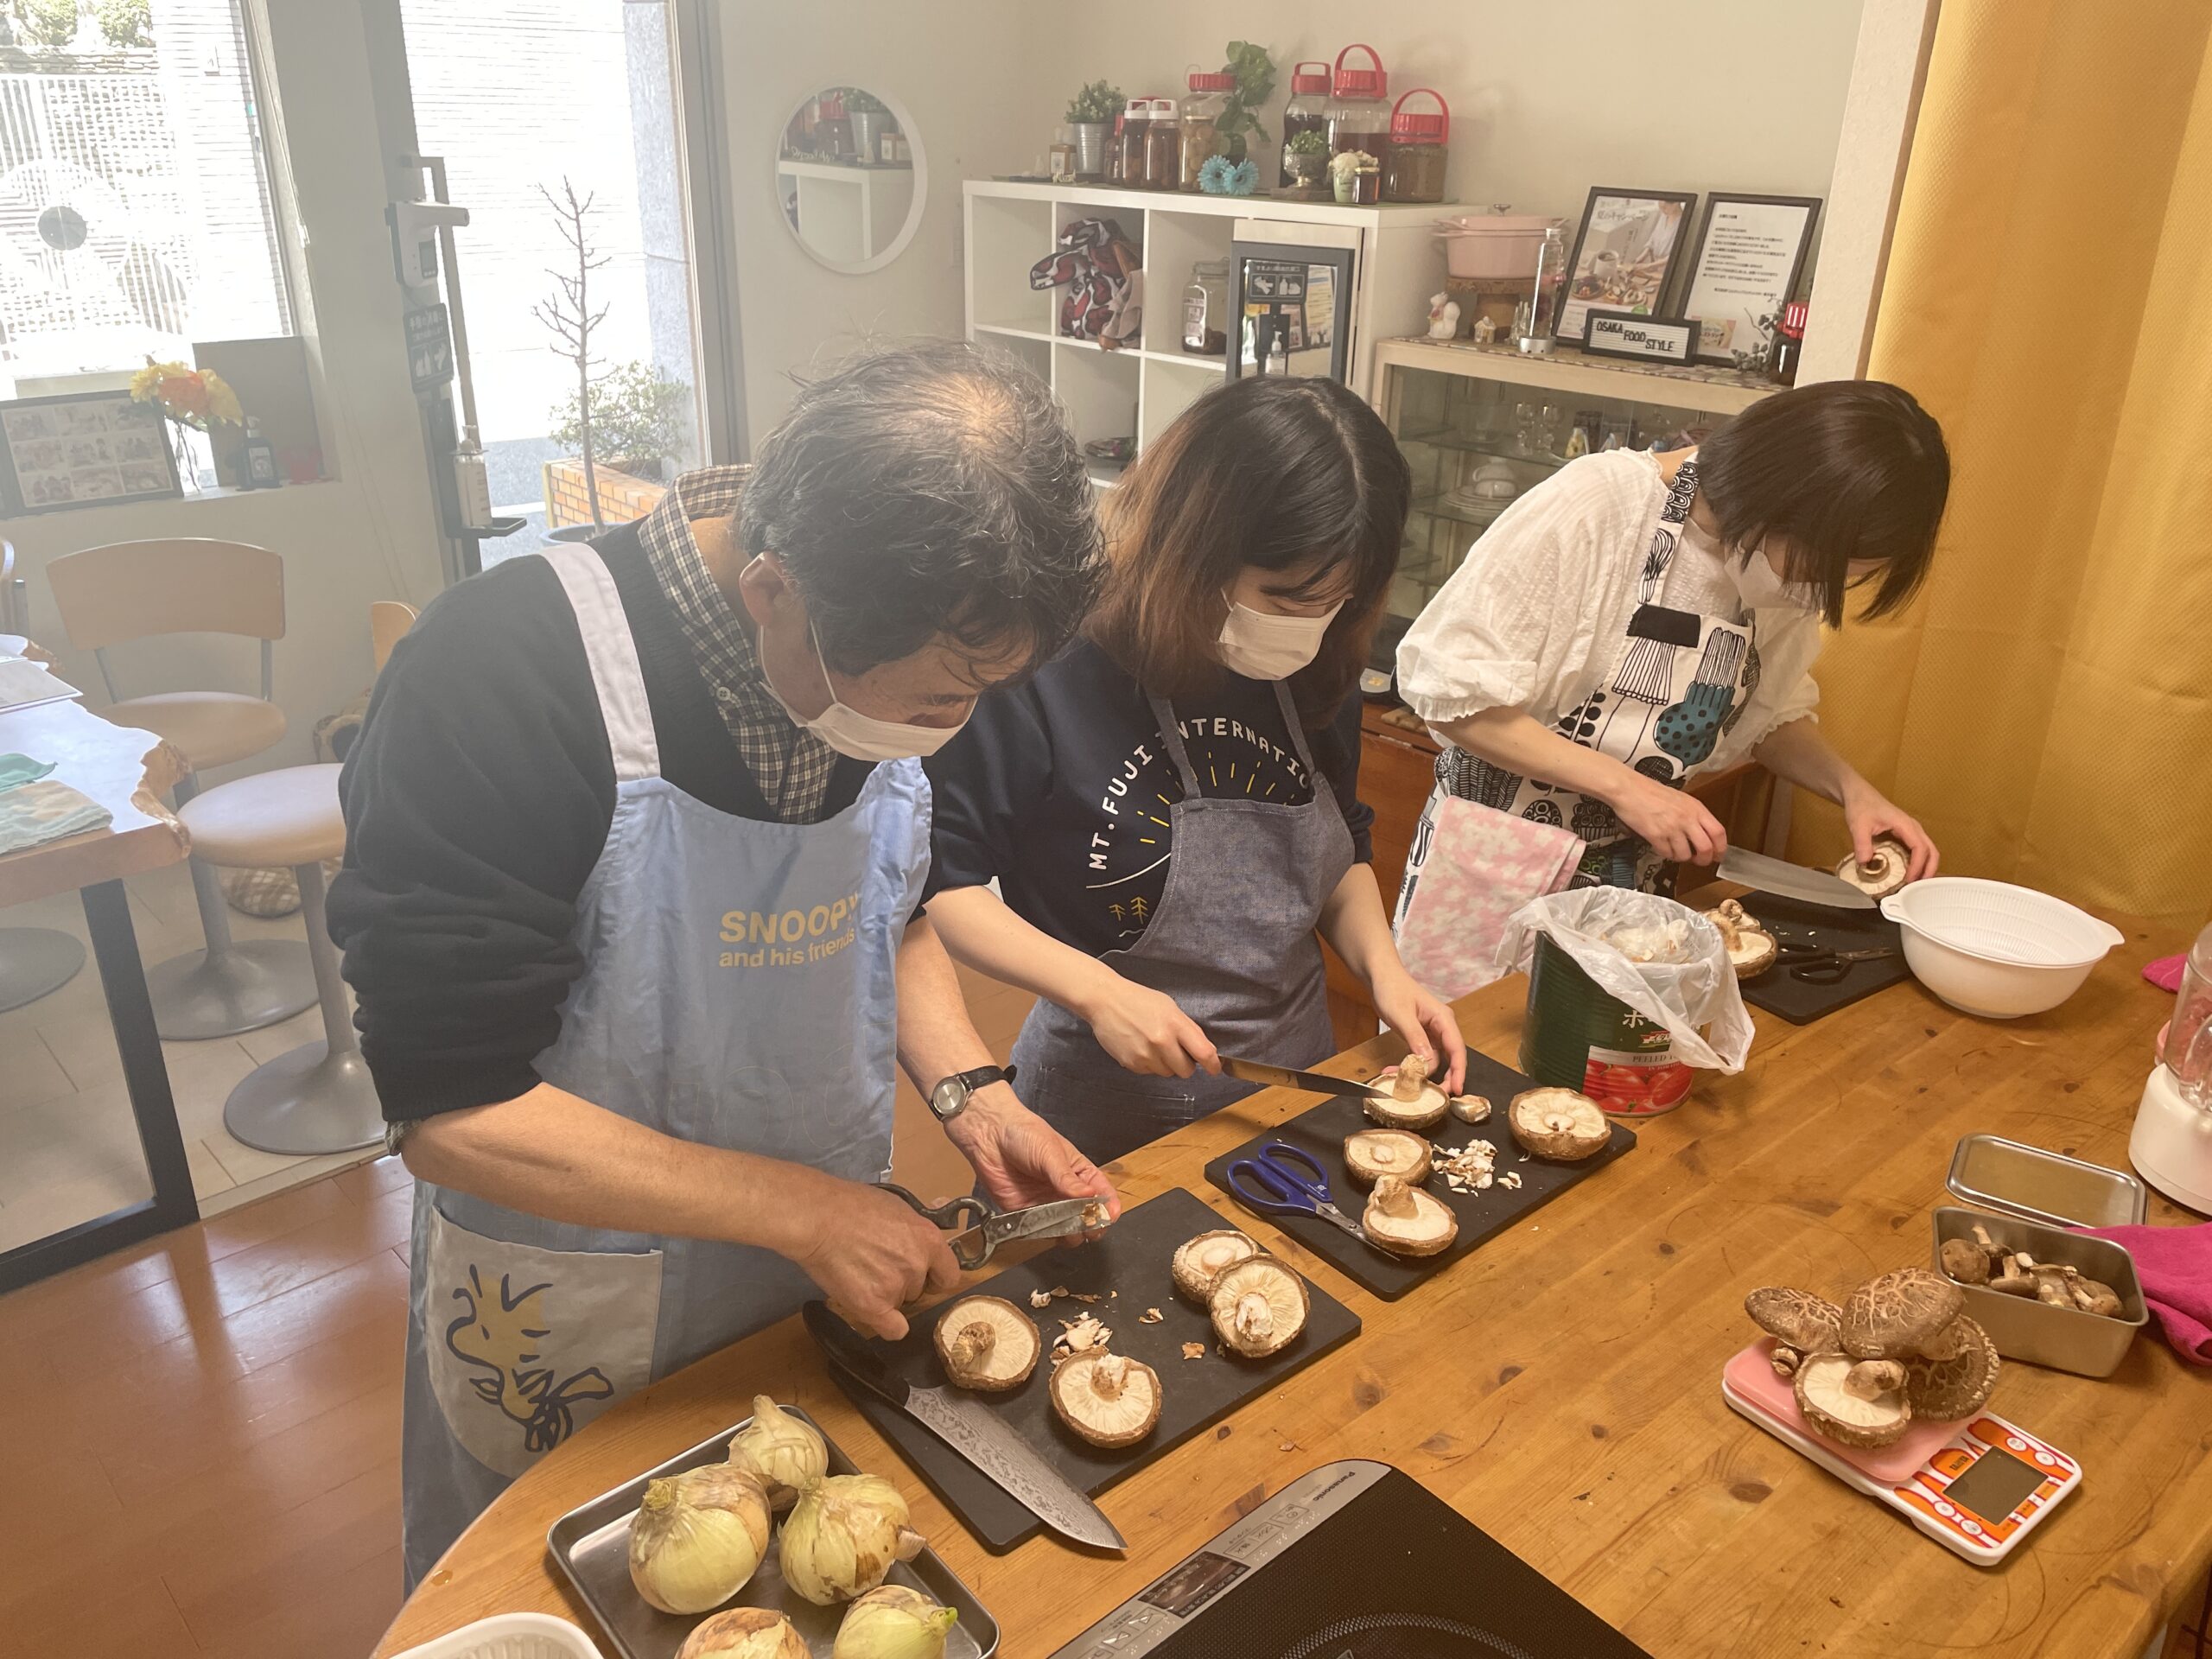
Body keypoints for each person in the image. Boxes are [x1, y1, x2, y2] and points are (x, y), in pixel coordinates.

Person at [328, 342, 1118, 1586]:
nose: (946, 728)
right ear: (771, 593)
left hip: (808, 1267)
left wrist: (974, 1091)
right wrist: (802, 1209)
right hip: (573, 1290)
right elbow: (451, 1108)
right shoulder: (501, 675)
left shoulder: (920, 641)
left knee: (782, 1586)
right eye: (931, 704)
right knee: (582, 1592)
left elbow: (892, 908)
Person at [921, 375, 1465, 1165]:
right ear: (1195, 551)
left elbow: (1340, 847)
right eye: (1283, 597)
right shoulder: (1051, 666)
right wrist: (1100, 994)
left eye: (1338, 601)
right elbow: (945, 885)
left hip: (1293, 1080)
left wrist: (1387, 972)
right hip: (1101, 1095)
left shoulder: (1316, 660)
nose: (1309, 625)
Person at [1394, 378, 1949, 914]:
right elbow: (1452, 695)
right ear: (1774, 501)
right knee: (1474, 1015)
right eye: (1816, 568)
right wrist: (1628, 790)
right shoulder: (1603, 505)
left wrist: (1852, 791)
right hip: (1489, 867)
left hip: (1627, 881)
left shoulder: (1767, 573)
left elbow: (1770, 716)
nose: (1813, 594)